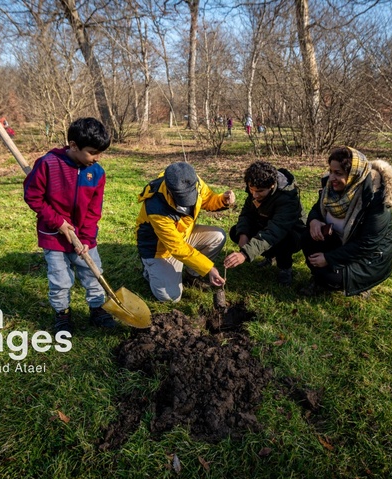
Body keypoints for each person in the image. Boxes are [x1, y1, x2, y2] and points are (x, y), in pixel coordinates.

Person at [23, 117, 116, 333]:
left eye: (100, 153)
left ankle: (97, 308)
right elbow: (33, 197)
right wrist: (58, 223)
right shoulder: (48, 164)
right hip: (53, 235)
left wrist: (86, 239)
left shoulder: (97, 173)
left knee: (93, 273)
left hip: (83, 236)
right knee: (60, 280)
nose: (97, 158)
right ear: (73, 145)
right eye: (93, 152)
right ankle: (62, 314)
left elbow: (94, 211)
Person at [301, 147, 392, 296]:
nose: (331, 177)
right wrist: (314, 220)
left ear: (354, 174)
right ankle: (318, 279)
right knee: (306, 236)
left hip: (366, 258)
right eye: (331, 171)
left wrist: (328, 258)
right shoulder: (332, 187)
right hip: (340, 242)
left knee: (331, 277)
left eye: (338, 173)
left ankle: (361, 284)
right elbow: (318, 207)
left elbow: (368, 244)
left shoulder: (375, 198)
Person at [136, 161, 236, 302]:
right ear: (170, 191)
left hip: (183, 236)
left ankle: (192, 274)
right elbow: (177, 247)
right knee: (171, 297)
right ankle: (149, 270)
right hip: (159, 249)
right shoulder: (156, 206)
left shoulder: (193, 180)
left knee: (218, 236)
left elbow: (208, 199)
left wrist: (222, 200)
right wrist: (208, 268)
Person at [224, 161, 307, 286]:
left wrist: (245, 253)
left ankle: (285, 268)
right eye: (252, 190)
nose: (255, 195)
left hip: (292, 233)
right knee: (235, 231)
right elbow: (246, 215)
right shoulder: (255, 189)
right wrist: (243, 234)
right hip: (267, 226)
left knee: (284, 241)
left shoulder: (288, 198)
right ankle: (270, 256)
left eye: (260, 191)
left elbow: (275, 231)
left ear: (272, 186)